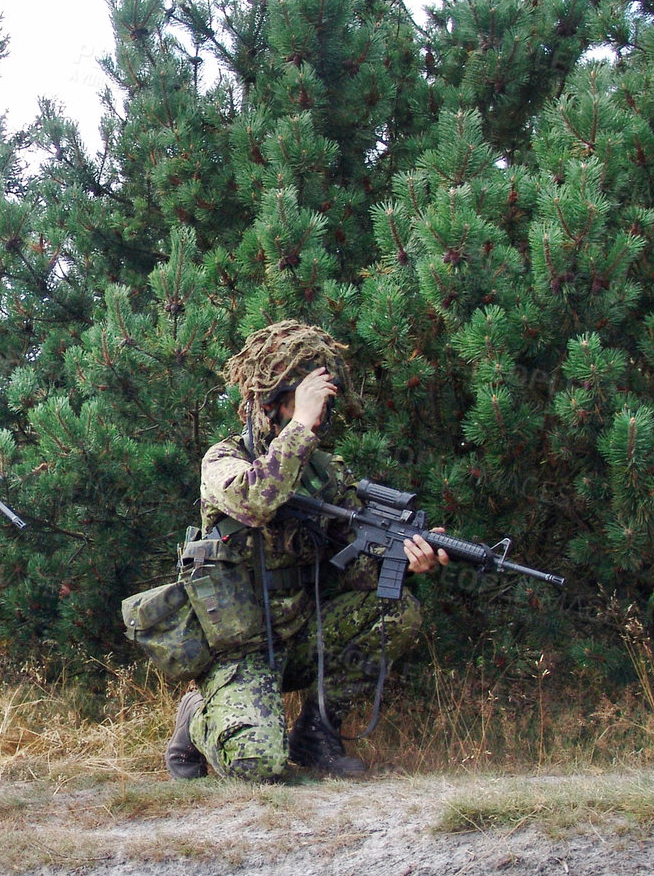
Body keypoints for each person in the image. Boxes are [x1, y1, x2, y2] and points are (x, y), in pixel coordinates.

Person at [165, 321, 446, 782]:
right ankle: (198, 716)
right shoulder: (222, 460)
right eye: (307, 403)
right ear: (270, 404)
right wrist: (298, 428)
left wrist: (410, 559)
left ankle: (316, 733)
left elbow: (357, 572)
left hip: (301, 636)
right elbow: (256, 501)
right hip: (243, 647)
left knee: (398, 611)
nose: (318, 417)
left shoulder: (325, 472)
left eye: (322, 405)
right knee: (257, 767)